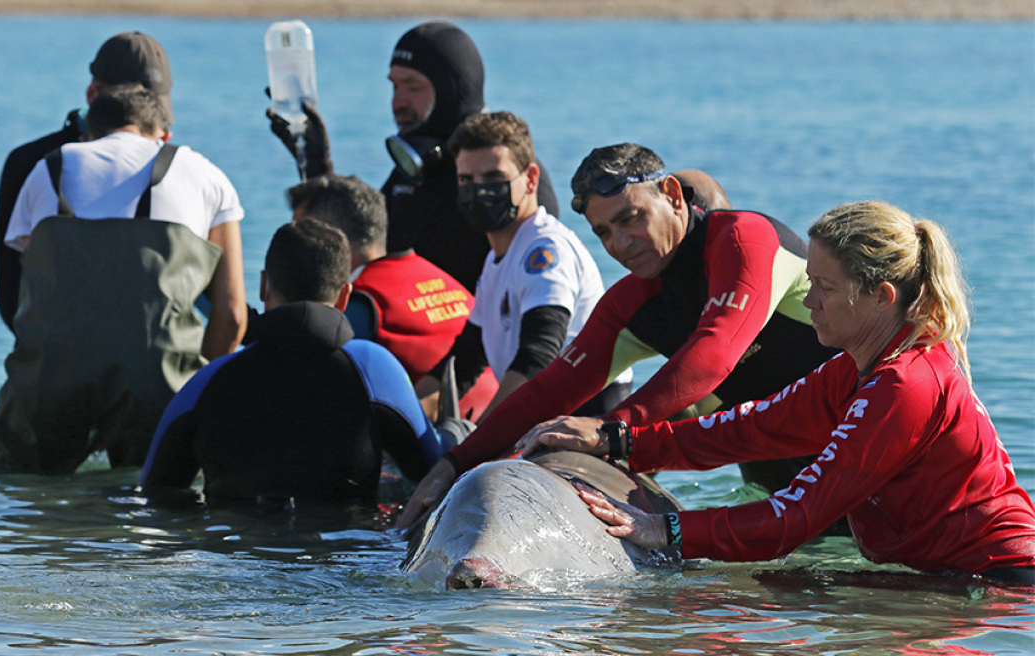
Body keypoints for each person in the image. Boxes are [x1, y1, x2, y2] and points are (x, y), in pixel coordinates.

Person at [533, 201, 1035, 586]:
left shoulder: (905, 385)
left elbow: (797, 516)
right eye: (810, 281)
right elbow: (748, 430)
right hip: (938, 576)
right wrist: (620, 443)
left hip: (1000, 585)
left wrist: (664, 529)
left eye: (826, 288)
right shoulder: (854, 369)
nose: (809, 301)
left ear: (882, 298)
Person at [398, 143, 838, 528]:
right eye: (604, 232)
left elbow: (711, 355)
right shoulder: (632, 301)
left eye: (631, 218)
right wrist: (454, 464)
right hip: (778, 474)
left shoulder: (743, 240)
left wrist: (609, 431)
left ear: (670, 195)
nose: (620, 244)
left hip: (860, 438)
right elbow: (549, 391)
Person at [0, 84, 246, 474]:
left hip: (49, 381)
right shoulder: (205, 175)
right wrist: (195, 398)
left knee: (29, 509)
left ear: (88, 133)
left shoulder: (48, 169)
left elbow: (35, 291)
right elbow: (232, 314)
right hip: (158, 385)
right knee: (156, 513)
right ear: (164, 136)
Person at [138, 220, 459, 508]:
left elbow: (154, 489)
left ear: (264, 286)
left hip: (237, 556)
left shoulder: (208, 380)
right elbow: (435, 472)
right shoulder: (374, 368)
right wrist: (453, 433)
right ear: (345, 296)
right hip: (347, 557)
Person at [268, 20, 559, 292]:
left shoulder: (511, 180)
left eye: (413, 87)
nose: (398, 101)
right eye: (394, 86)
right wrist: (316, 164)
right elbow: (349, 251)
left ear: (451, 91)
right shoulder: (414, 170)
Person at [413, 111, 632, 422]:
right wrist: (402, 419)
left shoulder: (545, 250)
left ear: (530, 179)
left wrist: (478, 440)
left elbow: (538, 358)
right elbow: (462, 363)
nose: (479, 189)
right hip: (546, 417)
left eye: (493, 178)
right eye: (466, 180)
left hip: (592, 419)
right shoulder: (495, 262)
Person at [0, 31, 175, 333]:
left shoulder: (177, 168)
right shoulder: (31, 164)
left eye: (156, 115)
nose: (159, 133)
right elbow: (10, 293)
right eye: (138, 114)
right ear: (92, 95)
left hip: (59, 355)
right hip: (145, 358)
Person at [286, 174, 500, 419]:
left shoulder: (359, 302)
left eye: (301, 235)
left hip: (447, 439)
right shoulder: (439, 276)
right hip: (498, 421)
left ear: (330, 240)